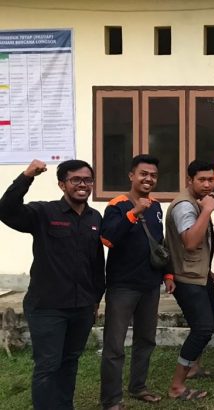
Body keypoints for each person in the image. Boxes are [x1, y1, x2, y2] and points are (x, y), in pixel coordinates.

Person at [0, 159, 104, 410]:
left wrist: (95, 300)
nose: (83, 184)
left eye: (87, 180)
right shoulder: (44, 213)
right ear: (62, 184)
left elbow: (96, 263)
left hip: (81, 307)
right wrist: (27, 176)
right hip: (47, 307)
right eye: (75, 180)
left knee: (70, 362)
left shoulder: (94, 217)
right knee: (48, 365)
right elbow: (6, 210)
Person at [100, 155, 166, 408]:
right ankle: (111, 399)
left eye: (153, 175)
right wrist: (134, 212)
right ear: (131, 176)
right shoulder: (116, 205)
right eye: (143, 174)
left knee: (146, 340)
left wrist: (167, 274)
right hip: (122, 286)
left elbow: (158, 244)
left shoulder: (157, 206)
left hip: (150, 285)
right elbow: (108, 239)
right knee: (115, 345)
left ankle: (138, 387)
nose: (148, 179)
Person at [163, 160, 214, 401]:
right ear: (190, 181)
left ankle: (194, 367)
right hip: (186, 278)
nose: (208, 185)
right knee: (203, 328)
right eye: (202, 180)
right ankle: (177, 386)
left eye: (211, 180)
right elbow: (189, 242)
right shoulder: (185, 206)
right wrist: (207, 209)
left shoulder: (197, 201)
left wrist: (206, 269)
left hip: (199, 274)